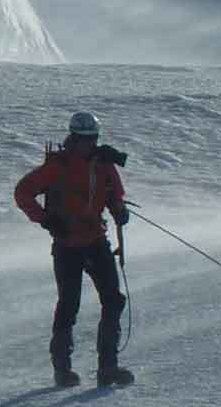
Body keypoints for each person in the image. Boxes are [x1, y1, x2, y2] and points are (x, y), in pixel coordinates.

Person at [13, 111, 133, 387]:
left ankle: (108, 368)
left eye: (93, 139)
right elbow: (23, 192)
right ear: (73, 138)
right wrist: (45, 219)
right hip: (67, 245)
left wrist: (119, 210)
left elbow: (115, 193)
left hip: (96, 241)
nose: (89, 144)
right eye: (83, 139)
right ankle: (63, 370)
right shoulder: (57, 166)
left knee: (113, 300)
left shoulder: (104, 164)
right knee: (69, 304)